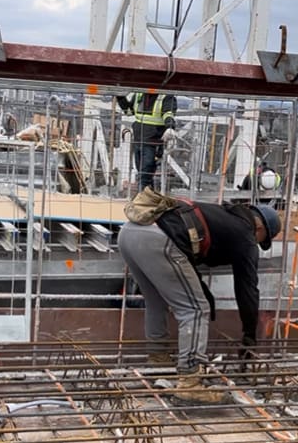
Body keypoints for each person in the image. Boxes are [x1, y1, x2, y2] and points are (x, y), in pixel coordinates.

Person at [118, 197, 282, 403]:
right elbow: (247, 289)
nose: (256, 245)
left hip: (130, 232)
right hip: (159, 238)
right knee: (195, 310)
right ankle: (190, 381)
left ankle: (158, 359)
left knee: (156, 300)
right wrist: (249, 335)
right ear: (260, 229)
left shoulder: (225, 215)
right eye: (261, 240)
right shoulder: (246, 235)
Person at [116, 92, 177, 191]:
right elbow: (129, 111)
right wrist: (119, 96)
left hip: (153, 141)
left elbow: (168, 113)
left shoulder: (165, 96)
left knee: (145, 174)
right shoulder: (139, 94)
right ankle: (147, 198)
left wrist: (170, 127)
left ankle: (142, 198)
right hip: (139, 139)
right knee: (142, 172)